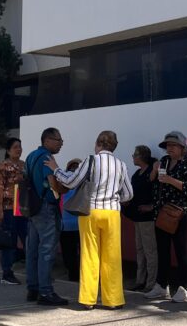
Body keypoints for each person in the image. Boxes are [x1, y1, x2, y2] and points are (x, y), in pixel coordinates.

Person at [47, 130, 133, 309]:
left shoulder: (91, 160)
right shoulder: (121, 164)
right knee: (112, 256)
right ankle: (113, 300)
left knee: (89, 254)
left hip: (91, 211)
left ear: (98, 143)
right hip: (112, 213)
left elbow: (71, 182)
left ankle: (88, 299)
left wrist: (56, 169)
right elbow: (128, 194)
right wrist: (114, 198)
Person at [145, 130, 187, 303]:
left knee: (181, 250)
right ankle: (161, 286)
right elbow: (152, 182)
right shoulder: (164, 161)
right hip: (161, 212)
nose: (170, 148)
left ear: (183, 148)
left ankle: (184, 288)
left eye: (174, 145)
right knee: (162, 250)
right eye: (168, 145)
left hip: (179, 212)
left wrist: (170, 180)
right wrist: (154, 171)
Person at [25, 128, 69, 306]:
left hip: (32, 207)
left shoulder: (31, 156)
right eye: (59, 140)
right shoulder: (46, 158)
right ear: (47, 140)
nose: (61, 144)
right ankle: (46, 292)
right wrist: (64, 188)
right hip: (46, 207)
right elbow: (53, 183)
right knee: (47, 250)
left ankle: (33, 288)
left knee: (33, 250)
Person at [123, 145, 158, 292]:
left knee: (149, 250)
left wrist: (152, 206)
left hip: (147, 218)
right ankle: (140, 280)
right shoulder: (137, 174)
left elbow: (157, 191)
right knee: (140, 249)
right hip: (137, 216)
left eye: (135, 155)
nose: (133, 157)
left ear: (141, 156)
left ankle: (151, 283)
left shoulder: (152, 172)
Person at [0, 137, 28, 285]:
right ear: (8, 151)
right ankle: (7, 273)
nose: (18, 149)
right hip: (9, 209)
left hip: (23, 208)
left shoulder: (24, 165)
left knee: (28, 238)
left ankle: (35, 271)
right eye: (15, 147)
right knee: (9, 241)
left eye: (20, 147)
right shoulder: (3, 167)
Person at [58, 159, 82, 282]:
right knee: (84, 251)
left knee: (68, 252)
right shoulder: (83, 180)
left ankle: (72, 275)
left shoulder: (62, 180)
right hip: (81, 223)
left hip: (65, 224)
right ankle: (83, 274)